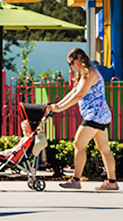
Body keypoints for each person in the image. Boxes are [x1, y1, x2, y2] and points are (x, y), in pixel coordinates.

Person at [50, 47, 119, 191]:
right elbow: (73, 92)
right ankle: (112, 182)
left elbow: (80, 95)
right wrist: (58, 105)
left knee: (78, 144)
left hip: (95, 114)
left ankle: (76, 179)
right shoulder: (83, 74)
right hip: (100, 114)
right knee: (104, 149)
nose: (71, 66)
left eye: (72, 63)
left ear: (79, 59)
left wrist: (60, 108)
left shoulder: (90, 73)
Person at [0, 102, 47, 185]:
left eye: (27, 130)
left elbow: (19, 150)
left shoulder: (28, 139)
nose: (25, 132)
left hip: (13, 157)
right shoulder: (26, 139)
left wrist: (9, 151)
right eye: (24, 130)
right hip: (12, 154)